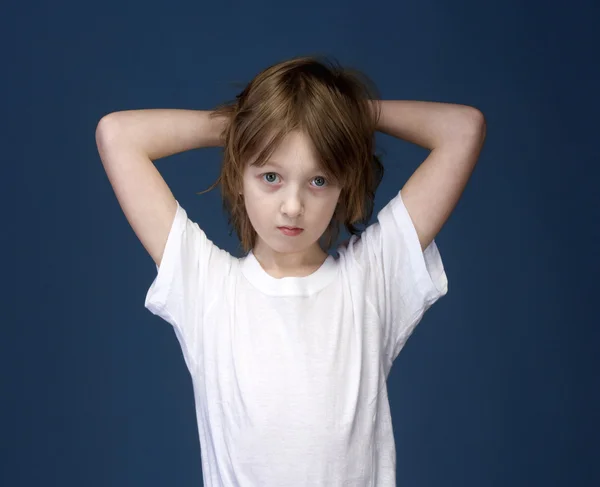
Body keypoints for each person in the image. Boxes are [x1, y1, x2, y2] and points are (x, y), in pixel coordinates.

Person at [95, 55, 486, 486]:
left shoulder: (372, 279)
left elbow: (462, 129)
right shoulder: (206, 286)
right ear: (240, 176)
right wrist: (250, 125)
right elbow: (117, 135)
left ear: (342, 186)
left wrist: (345, 115)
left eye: (318, 181)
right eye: (271, 176)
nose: (293, 205)